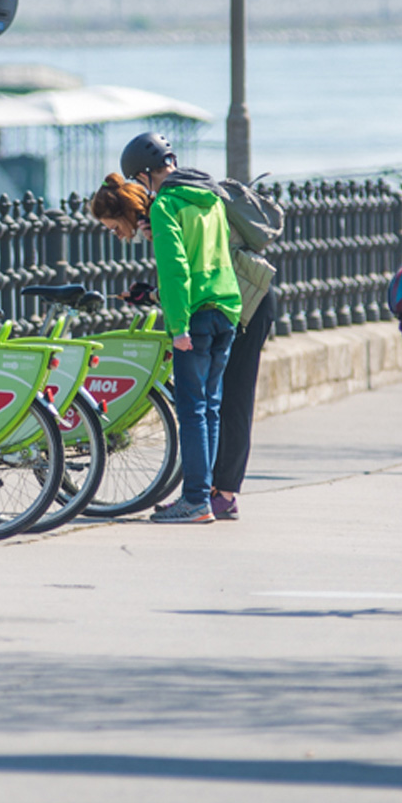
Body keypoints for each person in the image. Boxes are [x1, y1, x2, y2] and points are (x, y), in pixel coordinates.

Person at [113, 132, 285, 519]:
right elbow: (205, 257)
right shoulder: (208, 197)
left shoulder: (167, 206)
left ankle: (201, 498)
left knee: (204, 407)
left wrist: (178, 326)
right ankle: (208, 494)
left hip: (212, 310)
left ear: (144, 175)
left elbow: (178, 273)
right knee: (213, 406)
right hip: (230, 303)